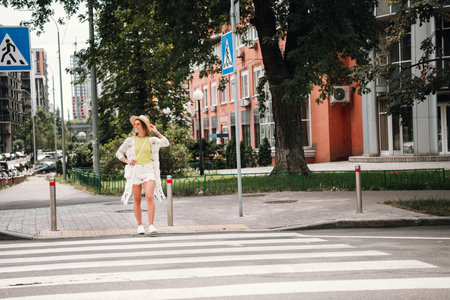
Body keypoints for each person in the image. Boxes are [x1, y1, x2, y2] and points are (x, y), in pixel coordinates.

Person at [116, 115, 169, 234]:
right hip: (135, 171)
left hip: (149, 170)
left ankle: (151, 225)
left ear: (144, 127)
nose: (135, 126)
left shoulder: (152, 140)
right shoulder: (130, 141)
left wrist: (156, 131)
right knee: (137, 199)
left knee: (149, 196)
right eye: (134, 124)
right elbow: (118, 153)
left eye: (138, 124)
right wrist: (127, 161)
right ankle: (140, 225)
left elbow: (165, 143)